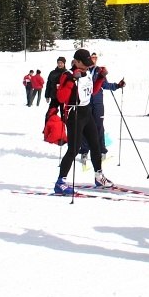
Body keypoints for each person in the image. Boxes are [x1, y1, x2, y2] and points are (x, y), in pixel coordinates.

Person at [53, 49, 114, 195]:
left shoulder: (87, 73)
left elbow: (92, 92)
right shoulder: (67, 75)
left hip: (87, 113)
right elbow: (61, 98)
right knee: (74, 149)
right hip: (75, 114)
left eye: (88, 63)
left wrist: (100, 78)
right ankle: (60, 182)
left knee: (95, 145)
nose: (87, 66)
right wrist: (71, 80)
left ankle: (99, 176)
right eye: (85, 63)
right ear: (76, 61)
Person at [79, 52, 125, 163]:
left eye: (95, 58)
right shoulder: (84, 71)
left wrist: (117, 85)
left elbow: (105, 84)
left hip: (98, 102)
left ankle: (102, 150)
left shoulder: (99, 70)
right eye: (91, 58)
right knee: (85, 127)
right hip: (86, 102)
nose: (93, 60)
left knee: (99, 127)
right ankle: (84, 151)